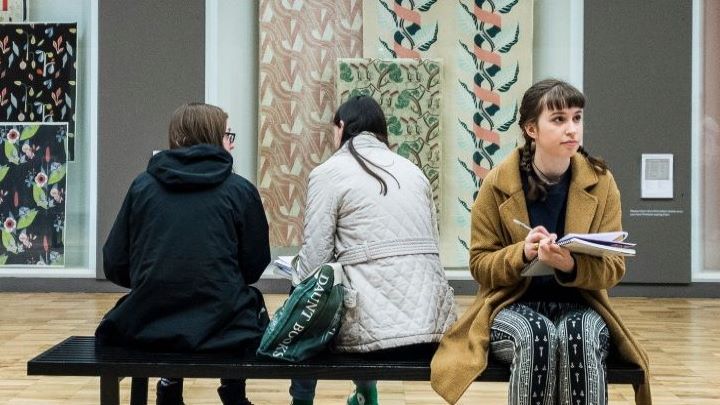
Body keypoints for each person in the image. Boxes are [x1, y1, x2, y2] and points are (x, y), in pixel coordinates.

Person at [430, 79, 651, 405]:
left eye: (577, 118)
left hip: (582, 304)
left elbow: (614, 268)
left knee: (581, 334)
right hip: (510, 305)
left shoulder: (601, 182)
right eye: (559, 119)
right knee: (536, 336)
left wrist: (571, 265)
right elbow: (480, 264)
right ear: (531, 129)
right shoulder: (496, 185)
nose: (572, 129)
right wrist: (522, 253)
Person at [95, 102, 271, 405]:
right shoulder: (240, 190)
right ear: (215, 136)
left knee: (170, 297)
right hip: (224, 328)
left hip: (148, 324)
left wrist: (152, 278)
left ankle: (169, 386)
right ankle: (233, 392)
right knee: (243, 301)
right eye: (228, 134)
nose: (231, 141)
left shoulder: (143, 186)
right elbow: (254, 264)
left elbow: (114, 262)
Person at [289, 95, 457, 405]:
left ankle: (301, 400)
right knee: (364, 281)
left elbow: (314, 263)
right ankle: (365, 393)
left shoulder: (328, 172)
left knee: (303, 290)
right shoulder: (414, 171)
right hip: (430, 327)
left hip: (368, 336)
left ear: (341, 127)